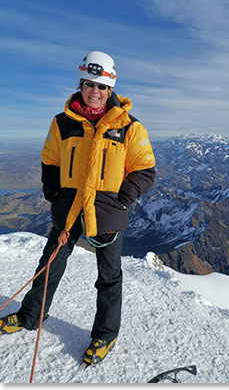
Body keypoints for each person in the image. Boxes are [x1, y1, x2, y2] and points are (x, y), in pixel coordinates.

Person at [0, 51, 156, 365]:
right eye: (88, 84)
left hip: (106, 212)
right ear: (81, 84)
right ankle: (31, 316)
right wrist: (53, 192)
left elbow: (144, 169)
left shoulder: (128, 126)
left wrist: (122, 200)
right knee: (49, 265)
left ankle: (105, 334)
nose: (94, 91)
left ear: (110, 88)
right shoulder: (62, 123)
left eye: (100, 86)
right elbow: (50, 159)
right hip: (69, 209)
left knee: (109, 276)